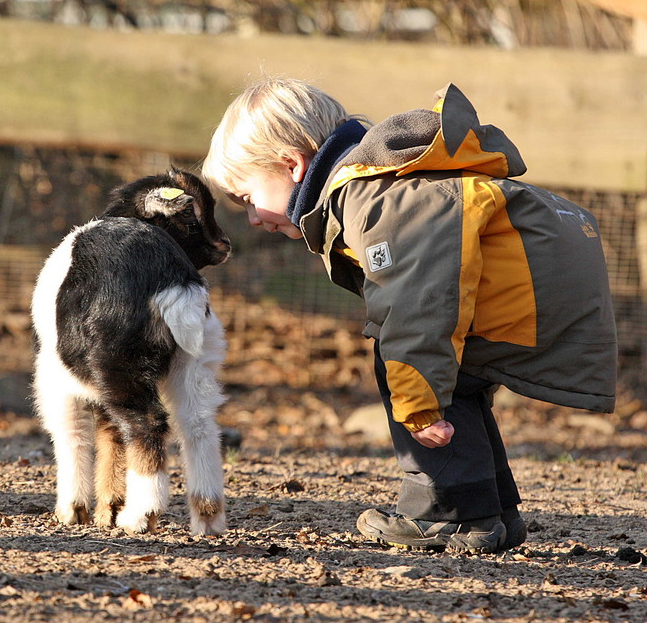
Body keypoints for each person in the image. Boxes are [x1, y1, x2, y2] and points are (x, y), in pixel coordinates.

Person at [202, 77, 617, 554]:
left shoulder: (374, 202)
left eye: (247, 198)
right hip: (552, 269)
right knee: (456, 374)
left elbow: (416, 306)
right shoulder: (382, 185)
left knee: (403, 357)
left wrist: (418, 406)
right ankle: (490, 509)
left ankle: (445, 513)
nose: (253, 218)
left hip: (534, 291)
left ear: (292, 165)